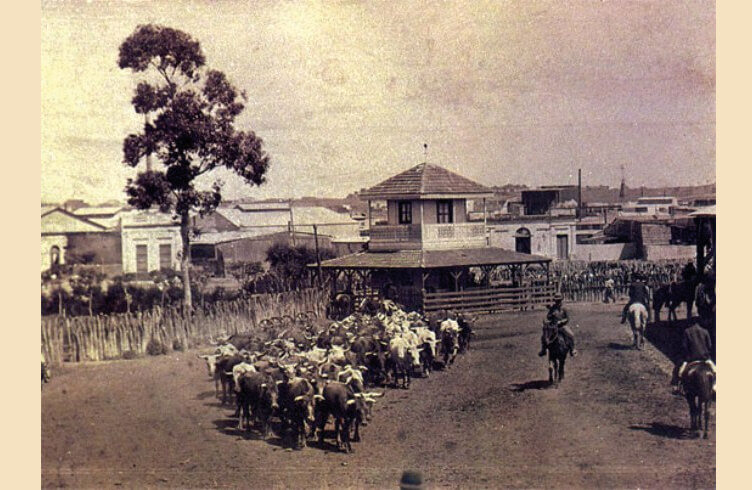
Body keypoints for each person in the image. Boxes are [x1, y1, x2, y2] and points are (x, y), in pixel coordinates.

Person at [671, 319, 716, 393]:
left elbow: (684, 346)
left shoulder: (687, 331)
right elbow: (709, 346)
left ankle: (676, 386)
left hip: (691, 358)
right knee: (715, 371)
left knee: (678, 370)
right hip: (704, 358)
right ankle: (714, 386)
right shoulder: (705, 331)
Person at [539, 293, 577, 357]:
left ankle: (572, 349)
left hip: (562, 326)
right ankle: (543, 350)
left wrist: (561, 321)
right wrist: (551, 315)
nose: (557, 302)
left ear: (561, 300)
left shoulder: (564, 308)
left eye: (559, 300)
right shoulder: (553, 308)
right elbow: (548, 316)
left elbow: (567, 318)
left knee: (571, 335)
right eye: (556, 300)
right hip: (553, 326)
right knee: (544, 335)